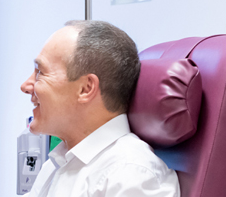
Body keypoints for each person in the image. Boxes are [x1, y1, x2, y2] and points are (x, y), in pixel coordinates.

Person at [21, 20, 179, 197]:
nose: (25, 86)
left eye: (40, 72)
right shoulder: (57, 164)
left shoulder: (131, 175)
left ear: (86, 88)